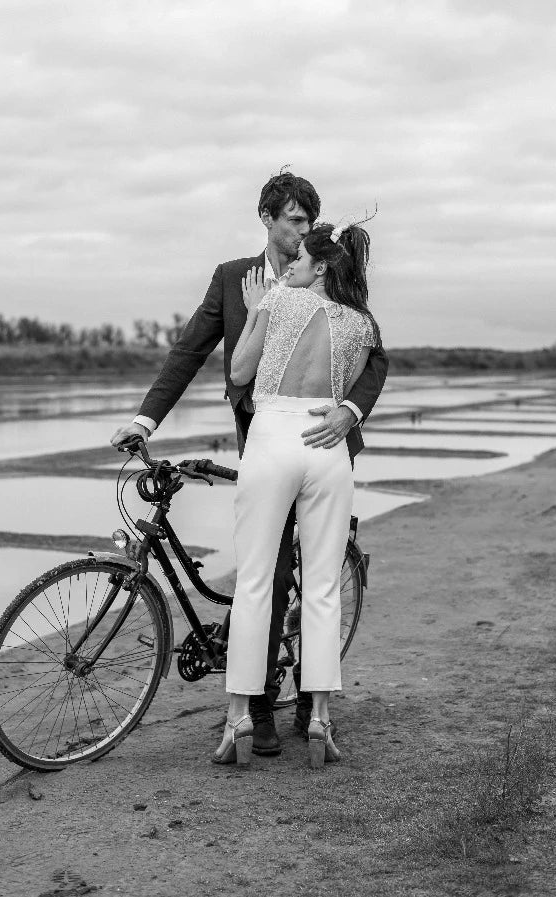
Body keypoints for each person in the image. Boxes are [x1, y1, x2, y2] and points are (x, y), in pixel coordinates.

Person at [110, 171, 388, 754]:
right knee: (282, 578)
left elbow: (376, 361)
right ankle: (270, 708)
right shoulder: (233, 277)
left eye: (309, 223)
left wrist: (350, 411)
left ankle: (285, 705)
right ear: (267, 217)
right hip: (270, 445)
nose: (303, 232)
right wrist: (145, 419)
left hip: (313, 439)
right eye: (294, 220)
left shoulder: (326, 277)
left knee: (282, 578)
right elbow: (188, 351)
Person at [212, 220, 383, 768]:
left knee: (255, 582)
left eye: (299, 261)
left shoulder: (278, 299)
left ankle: (239, 717)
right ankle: (320, 720)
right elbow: (347, 386)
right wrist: (342, 410)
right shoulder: (362, 322)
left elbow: (240, 371)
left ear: (321, 266)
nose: (288, 269)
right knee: (323, 588)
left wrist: (256, 310)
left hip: (272, 439)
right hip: (325, 445)